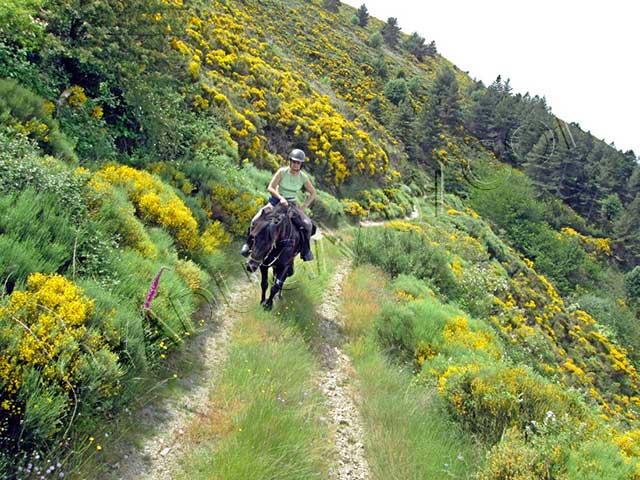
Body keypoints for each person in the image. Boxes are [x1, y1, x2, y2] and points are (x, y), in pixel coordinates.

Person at [240, 148, 317, 261]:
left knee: (307, 225)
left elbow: (313, 193)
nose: (296, 164)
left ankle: (305, 250)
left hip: (291, 204)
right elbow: (270, 187)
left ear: (301, 164)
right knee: (255, 220)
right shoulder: (282, 171)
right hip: (276, 201)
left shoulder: (303, 177)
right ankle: (248, 244)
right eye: (294, 162)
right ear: (290, 161)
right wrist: (280, 198)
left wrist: (303, 207)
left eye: (298, 163)